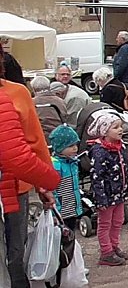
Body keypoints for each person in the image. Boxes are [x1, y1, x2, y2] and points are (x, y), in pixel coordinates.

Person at [0, 79, 59, 288]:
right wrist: (47, 181)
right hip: (15, 183)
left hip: (17, 186)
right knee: (15, 251)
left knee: (16, 250)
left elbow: (34, 143)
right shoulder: (14, 94)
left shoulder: (17, 92)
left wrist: (43, 184)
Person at [87, 111, 128, 265]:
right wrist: (100, 198)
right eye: (115, 127)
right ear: (105, 131)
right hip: (106, 195)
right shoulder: (100, 152)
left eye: (121, 126)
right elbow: (96, 176)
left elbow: (124, 170)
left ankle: (114, 246)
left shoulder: (119, 147)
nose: (120, 130)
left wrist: (127, 189)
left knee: (118, 221)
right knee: (105, 223)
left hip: (118, 193)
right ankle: (106, 252)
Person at [49, 125, 83, 231]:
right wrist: (55, 211)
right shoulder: (55, 165)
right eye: (70, 146)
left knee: (70, 236)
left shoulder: (72, 162)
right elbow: (52, 189)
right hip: (61, 212)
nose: (75, 148)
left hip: (71, 209)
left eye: (75, 144)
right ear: (60, 147)